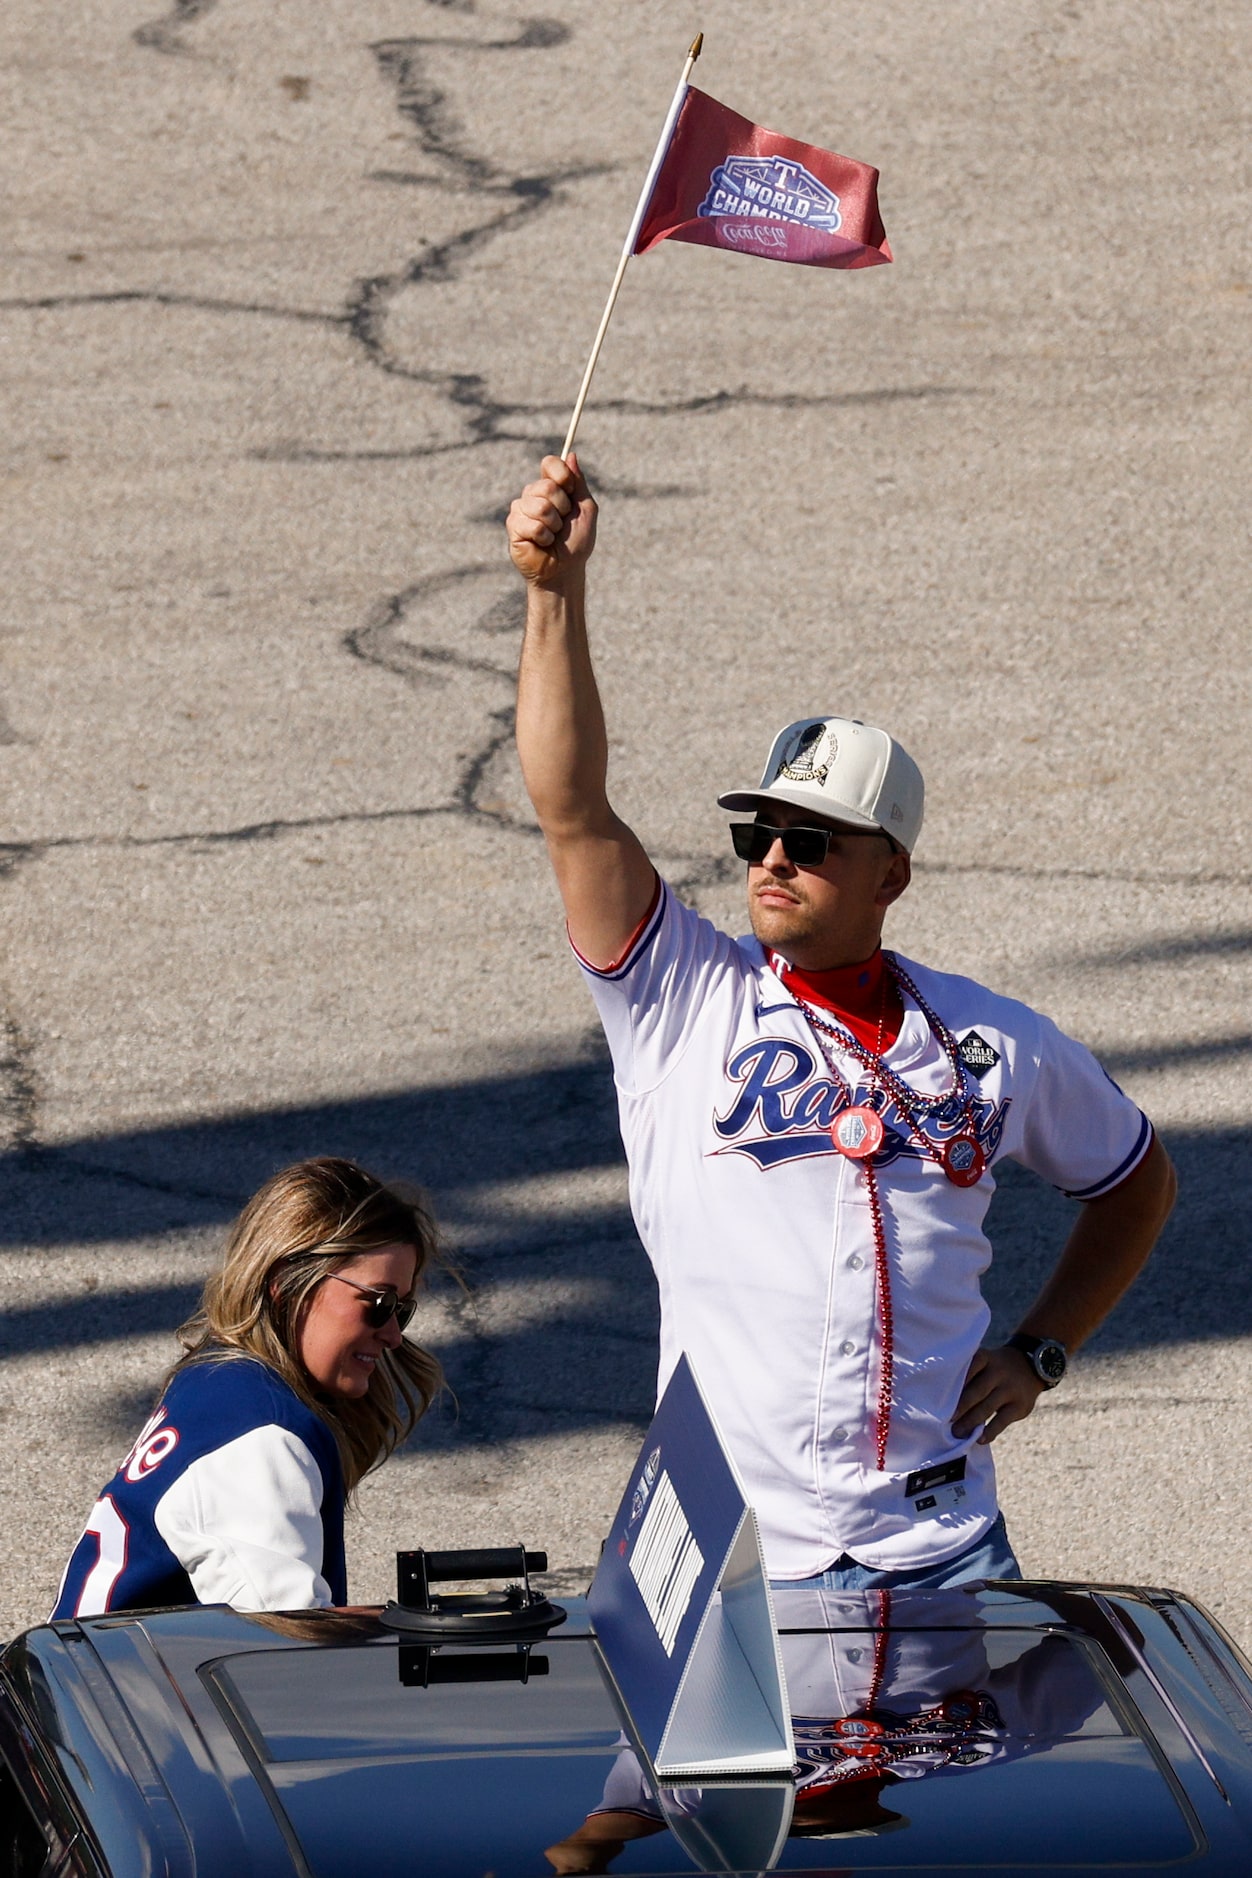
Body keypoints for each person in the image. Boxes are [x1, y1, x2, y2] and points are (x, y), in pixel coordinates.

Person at [505, 454, 1176, 1591]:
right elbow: (570, 808)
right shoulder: (679, 997)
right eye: (758, 834)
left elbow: (1133, 1177)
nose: (773, 859)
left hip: (942, 1550)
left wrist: (1041, 1350)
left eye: (809, 841)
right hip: (730, 1560)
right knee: (713, 1785)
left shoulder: (991, 1041)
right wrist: (552, 595)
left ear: (889, 874)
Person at [53, 1157, 443, 1617]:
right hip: (124, 1687)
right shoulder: (262, 1435)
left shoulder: (219, 1379)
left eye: (402, 1310)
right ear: (287, 1283)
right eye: (378, 1303)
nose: (394, 1335)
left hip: (104, 1677)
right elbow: (288, 1642)